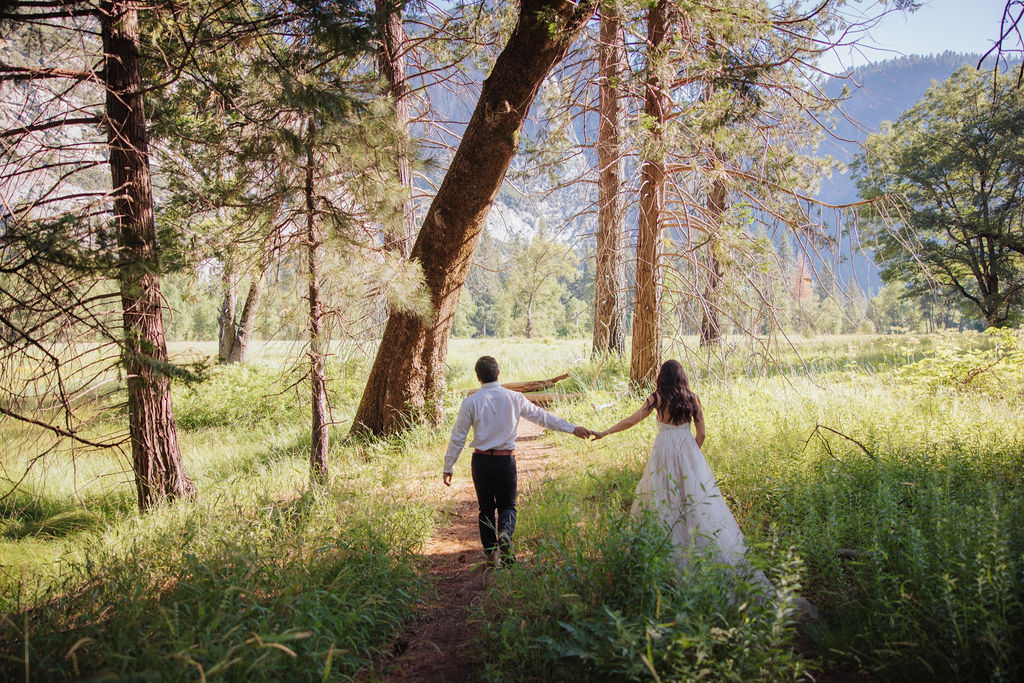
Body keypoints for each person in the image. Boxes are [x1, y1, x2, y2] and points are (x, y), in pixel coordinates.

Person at [594, 359, 816, 617]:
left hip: (664, 455)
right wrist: (691, 456)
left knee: (662, 502)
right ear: (682, 377)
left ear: (661, 377)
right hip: (688, 454)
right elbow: (701, 434)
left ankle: (665, 569)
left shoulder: (656, 398)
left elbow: (632, 420)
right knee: (696, 507)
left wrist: (605, 432)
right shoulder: (692, 399)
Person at [443, 356, 592, 567]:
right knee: (508, 506)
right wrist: (572, 428)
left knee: (485, 509)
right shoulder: (514, 397)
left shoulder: (471, 402)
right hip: (505, 461)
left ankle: (492, 555)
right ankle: (505, 532)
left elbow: (458, 436)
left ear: (478, 378)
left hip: (481, 461)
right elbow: (543, 417)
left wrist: (448, 465)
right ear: (498, 373)